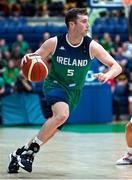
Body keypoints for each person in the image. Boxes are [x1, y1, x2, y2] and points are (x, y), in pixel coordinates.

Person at [7, 8, 122, 173]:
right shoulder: (54, 43)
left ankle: (19, 153)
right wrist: (26, 62)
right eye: (83, 21)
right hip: (55, 84)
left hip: (74, 92)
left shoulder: (91, 46)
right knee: (61, 115)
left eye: (87, 21)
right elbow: (34, 59)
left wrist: (107, 75)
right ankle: (30, 153)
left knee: (53, 127)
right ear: (72, 24)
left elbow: (116, 66)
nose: (87, 25)